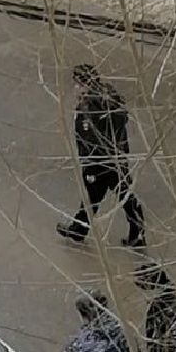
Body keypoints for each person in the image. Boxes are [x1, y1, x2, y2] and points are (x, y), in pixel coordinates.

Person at [57, 64, 146, 248]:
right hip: (116, 157)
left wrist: (89, 164)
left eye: (77, 84)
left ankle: (79, 230)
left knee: (101, 195)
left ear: (83, 84)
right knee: (119, 195)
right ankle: (80, 229)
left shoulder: (88, 108)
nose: (74, 88)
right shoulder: (108, 96)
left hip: (99, 162)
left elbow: (89, 139)